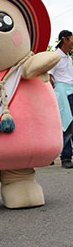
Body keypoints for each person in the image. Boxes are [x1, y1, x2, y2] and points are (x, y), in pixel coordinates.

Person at [48, 30, 73, 168]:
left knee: (71, 125)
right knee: (66, 125)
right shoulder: (55, 56)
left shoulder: (68, 57)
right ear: (65, 39)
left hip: (71, 91)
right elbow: (49, 77)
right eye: (72, 39)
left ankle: (61, 154)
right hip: (62, 93)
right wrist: (55, 94)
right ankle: (65, 157)